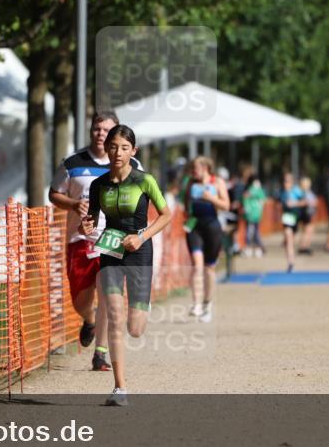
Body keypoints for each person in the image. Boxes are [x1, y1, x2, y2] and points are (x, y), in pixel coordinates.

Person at [80, 125, 172, 406]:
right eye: (113, 147)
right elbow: (92, 221)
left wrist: (141, 236)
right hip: (110, 251)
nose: (117, 153)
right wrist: (86, 226)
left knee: (135, 327)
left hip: (140, 251)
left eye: (123, 147)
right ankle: (120, 388)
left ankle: (142, 307)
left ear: (134, 151)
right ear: (106, 149)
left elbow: (166, 215)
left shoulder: (144, 181)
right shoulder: (98, 185)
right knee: (115, 318)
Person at [49, 109, 141, 372]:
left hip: (113, 236)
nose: (101, 134)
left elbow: (143, 195)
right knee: (81, 299)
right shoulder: (72, 162)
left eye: (107, 130)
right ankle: (88, 320)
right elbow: (54, 194)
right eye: (96, 129)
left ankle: (100, 353)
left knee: (107, 292)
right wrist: (74, 203)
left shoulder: (132, 164)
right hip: (80, 238)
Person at [183, 156, 230, 322]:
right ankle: (196, 303)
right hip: (194, 226)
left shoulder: (217, 182)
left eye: (195, 168)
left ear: (205, 168)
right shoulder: (190, 183)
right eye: (192, 168)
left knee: (209, 268)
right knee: (196, 265)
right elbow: (186, 203)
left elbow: (226, 205)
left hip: (212, 226)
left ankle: (207, 304)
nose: (192, 171)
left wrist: (211, 198)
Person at [281, 172, 306, 271]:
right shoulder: (282, 192)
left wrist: (295, 203)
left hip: (296, 218)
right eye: (285, 181)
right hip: (286, 219)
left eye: (288, 181)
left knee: (290, 239)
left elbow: (304, 202)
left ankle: (291, 259)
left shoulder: (297, 191)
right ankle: (290, 262)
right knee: (289, 237)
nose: (286, 183)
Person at [242, 174, 267, 257]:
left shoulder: (258, 190)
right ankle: (250, 248)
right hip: (251, 215)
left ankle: (257, 248)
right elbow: (245, 198)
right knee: (251, 232)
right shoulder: (251, 190)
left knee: (255, 232)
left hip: (256, 215)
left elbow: (262, 200)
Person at [298, 176, 318, 254]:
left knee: (308, 231)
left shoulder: (306, 192)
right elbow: (306, 202)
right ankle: (303, 247)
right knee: (308, 230)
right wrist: (312, 202)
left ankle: (305, 246)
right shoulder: (304, 192)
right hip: (307, 213)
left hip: (309, 213)